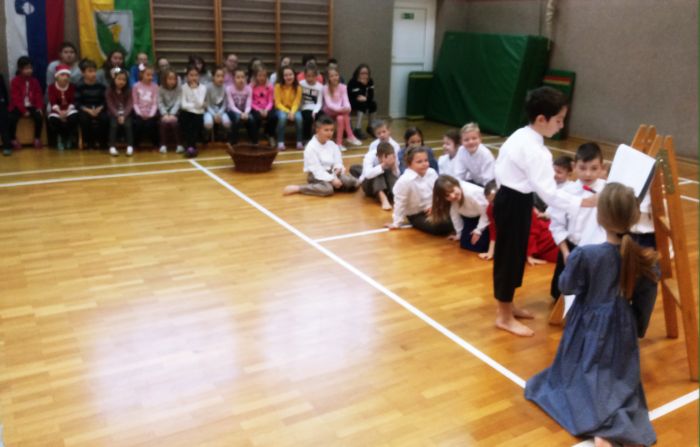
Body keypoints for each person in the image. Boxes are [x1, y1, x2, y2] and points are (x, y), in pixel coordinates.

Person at [525, 182, 658, 447]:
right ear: (633, 217)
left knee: (582, 371)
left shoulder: (586, 254)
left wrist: (572, 267)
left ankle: (601, 428)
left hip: (587, 321)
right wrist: (636, 327)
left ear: (600, 216)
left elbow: (566, 286)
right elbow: (647, 296)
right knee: (614, 375)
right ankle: (609, 426)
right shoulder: (643, 257)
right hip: (623, 322)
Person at [491, 86, 596, 336]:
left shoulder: (521, 135)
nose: (561, 126)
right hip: (513, 201)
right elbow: (549, 194)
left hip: (512, 199)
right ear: (541, 119)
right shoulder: (536, 151)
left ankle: (509, 306)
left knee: (515, 254)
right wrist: (582, 202)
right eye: (558, 120)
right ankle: (503, 316)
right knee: (508, 258)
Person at [549, 143, 607, 301]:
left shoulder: (607, 190)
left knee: (590, 296)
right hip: (571, 248)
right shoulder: (565, 192)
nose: (588, 174)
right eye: (582, 168)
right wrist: (565, 252)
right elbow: (557, 226)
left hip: (596, 251)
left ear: (602, 168)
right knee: (559, 294)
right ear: (574, 167)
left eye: (594, 168)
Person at [479, 180, 558, 265]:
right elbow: (494, 230)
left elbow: (532, 231)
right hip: (524, 244)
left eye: (494, 201)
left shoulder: (522, 206)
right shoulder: (491, 209)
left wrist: (529, 256)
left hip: (546, 240)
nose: (493, 205)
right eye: (490, 202)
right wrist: (490, 252)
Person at [282, 114, 359, 197]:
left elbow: (338, 162)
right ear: (317, 130)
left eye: (332, 130)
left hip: (332, 172)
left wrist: (337, 169)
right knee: (327, 189)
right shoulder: (310, 147)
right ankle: (299, 188)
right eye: (326, 130)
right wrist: (332, 179)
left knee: (352, 183)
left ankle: (333, 185)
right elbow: (317, 170)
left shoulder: (332, 144)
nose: (329, 133)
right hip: (316, 175)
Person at [387, 146, 453, 235]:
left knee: (458, 213)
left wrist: (435, 207)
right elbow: (400, 203)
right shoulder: (404, 181)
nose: (424, 164)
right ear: (409, 164)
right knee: (438, 226)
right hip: (417, 214)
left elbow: (438, 193)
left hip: (434, 207)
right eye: (419, 162)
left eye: (426, 160)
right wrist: (396, 223)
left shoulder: (431, 172)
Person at [431, 175, 490, 252]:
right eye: (447, 195)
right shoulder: (453, 200)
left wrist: (478, 230)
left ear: (457, 184)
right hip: (471, 217)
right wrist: (459, 233)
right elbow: (455, 216)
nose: (452, 196)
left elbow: (486, 213)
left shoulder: (471, 194)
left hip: (487, 216)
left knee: (481, 246)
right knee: (464, 243)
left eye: (452, 191)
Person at [8, 56, 44, 150]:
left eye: (30, 68)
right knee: (12, 118)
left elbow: (38, 95)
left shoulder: (34, 81)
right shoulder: (15, 81)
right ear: (20, 69)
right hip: (18, 106)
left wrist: (39, 107)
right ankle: (12, 139)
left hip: (31, 105)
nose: (29, 71)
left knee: (39, 117)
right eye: (26, 68)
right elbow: (16, 98)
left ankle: (37, 138)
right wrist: (23, 111)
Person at [323, 67, 362, 151]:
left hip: (340, 112)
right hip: (329, 111)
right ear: (328, 78)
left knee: (340, 118)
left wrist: (348, 108)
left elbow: (346, 100)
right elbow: (329, 104)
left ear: (339, 76)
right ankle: (350, 135)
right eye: (332, 76)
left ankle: (339, 143)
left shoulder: (343, 87)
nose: (334, 77)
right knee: (344, 114)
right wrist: (342, 109)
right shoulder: (326, 88)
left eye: (336, 75)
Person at [76, 59, 108, 150]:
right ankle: (89, 142)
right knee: (84, 119)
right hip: (85, 109)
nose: (93, 74)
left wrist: (100, 108)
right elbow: (77, 103)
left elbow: (105, 101)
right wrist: (88, 110)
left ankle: (103, 142)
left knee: (105, 118)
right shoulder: (79, 86)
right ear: (83, 73)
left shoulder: (101, 86)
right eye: (90, 71)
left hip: (99, 108)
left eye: (94, 71)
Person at [359, 141, 400, 210]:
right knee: (378, 173)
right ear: (380, 156)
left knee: (389, 172)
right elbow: (367, 174)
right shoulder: (370, 156)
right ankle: (383, 199)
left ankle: (397, 196)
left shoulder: (393, 156)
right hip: (368, 185)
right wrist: (383, 165)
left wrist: (393, 167)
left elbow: (397, 175)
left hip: (386, 187)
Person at [47, 65, 79, 150]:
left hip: (69, 109)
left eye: (67, 75)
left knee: (73, 118)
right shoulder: (51, 87)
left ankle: (69, 137)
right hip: (57, 109)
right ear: (57, 76)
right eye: (62, 75)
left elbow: (73, 101)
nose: (65, 77)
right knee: (54, 120)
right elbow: (53, 102)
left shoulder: (72, 87)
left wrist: (67, 111)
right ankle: (59, 138)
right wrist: (60, 112)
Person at [179, 65, 207, 158]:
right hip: (187, 112)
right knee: (185, 118)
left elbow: (200, 103)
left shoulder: (203, 88)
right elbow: (183, 105)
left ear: (199, 76)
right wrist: (194, 106)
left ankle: (191, 147)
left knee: (195, 122)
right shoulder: (183, 87)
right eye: (191, 75)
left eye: (196, 75)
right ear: (187, 76)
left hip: (199, 113)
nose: (193, 77)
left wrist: (194, 90)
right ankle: (191, 147)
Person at [106, 68, 134, 156]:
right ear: (114, 79)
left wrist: (124, 115)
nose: (121, 82)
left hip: (125, 114)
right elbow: (110, 105)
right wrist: (117, 115)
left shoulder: (129, 90)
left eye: (124, 80)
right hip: (113, 113)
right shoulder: (109, 90)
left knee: (128, 125)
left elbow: (130, 104)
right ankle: (112, 146)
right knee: (113, 125)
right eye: (119, 79)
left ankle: (130, 146)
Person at [131, 64, 160, 151]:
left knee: (151, 125)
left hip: (151, 112)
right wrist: (140, 113)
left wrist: (150, 114)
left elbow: (155, 103)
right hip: (139, 112)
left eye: (152, 75)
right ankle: (135, 144)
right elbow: (135, 102)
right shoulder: (136, 86)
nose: (150, 77)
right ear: (141, 75)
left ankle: (156, 144)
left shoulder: (155, 86)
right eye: (148, 75)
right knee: (138, 124)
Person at [274, 66, 302, 150]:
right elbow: (277, 103)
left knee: (299, 119)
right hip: (281, 109)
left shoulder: (298, 87)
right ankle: (280, 142)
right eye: (286, 75)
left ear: (294, 75)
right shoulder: (278, 86)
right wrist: (288, 112)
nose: (288, 77)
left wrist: (292, 112)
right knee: (282, 118)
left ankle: (299, 141)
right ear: (282, 77)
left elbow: (296, 102)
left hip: (294, 109)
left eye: (290, 74)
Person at [225, 67, 254, 145]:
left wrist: (246, 113)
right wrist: (241, 113)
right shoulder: (229, 89)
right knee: (237, 118)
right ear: (234, 78)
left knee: (251, 118)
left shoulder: (249, 88)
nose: (241, 79)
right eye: (238, 77)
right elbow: (231, 105)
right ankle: (233, 141)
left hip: (244, 111)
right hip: (232, 110)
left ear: (245, 78)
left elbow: (249, 104)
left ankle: (254, 141)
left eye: (242, 77)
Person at [157, 69, 183, 154]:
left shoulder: (179, 88)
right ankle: (163, 145)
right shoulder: (160, 89)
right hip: (164, 111)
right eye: (170, 79)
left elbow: (178, 101)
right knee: (163, 123)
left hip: (175, 111)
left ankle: (179, 144)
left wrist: (172, 114)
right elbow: (160, 102)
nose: (172, 81)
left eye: (174, 79)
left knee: (175, 123)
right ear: (165, 79)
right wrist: (164, 114)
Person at [347, 63, 376, 139]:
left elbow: (371, 95)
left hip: (365, 100)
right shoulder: (353, 81)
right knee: (362, 104)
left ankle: (370, 126)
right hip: (351, 102)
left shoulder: (370, 81)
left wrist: (366, 98)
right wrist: (362, 85)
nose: (364, 75)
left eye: (366, 73)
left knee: (373, 104)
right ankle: (357, 128)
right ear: (358, 73)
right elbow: (356, 96)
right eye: (362, 73)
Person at [249, 66, 276, 146]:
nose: (262, 78)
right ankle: (255, 138)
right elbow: (250, 101)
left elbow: (270, 101)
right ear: (256, 76)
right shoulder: (251, 86)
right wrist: (259, 110)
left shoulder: (270, 86)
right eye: (260, 75)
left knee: (273, 117)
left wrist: (266, 110)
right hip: (255, 107)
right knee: (256, 118)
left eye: (264, 75)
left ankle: (270, 135)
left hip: (267, 107)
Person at [205, 66, 232, 142]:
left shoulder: (225, 87)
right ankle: (206, 136)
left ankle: (224, 136)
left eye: (222, 76)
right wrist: (214, 115)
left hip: (221, 111)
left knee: (227, 123)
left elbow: (225, 104)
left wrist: (219, 113)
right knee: (208, 124)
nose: (220, 78)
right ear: (213, 77)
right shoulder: (208, 87)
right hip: (209, 111)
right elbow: (207, 104)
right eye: (218, 76)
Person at [299, 63, 324, 143]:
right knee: (307, 118)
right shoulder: (301, 84)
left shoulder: (320, 87)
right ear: (305, 75)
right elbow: (299, 99)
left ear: (316, 76)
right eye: (308, 76)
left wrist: (315, 111)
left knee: (322, 118)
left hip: (316, 108)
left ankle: (320, 138)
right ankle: (306, 138)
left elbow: (319, 102)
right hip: (305, 107)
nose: (310, 78)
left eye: (313, 76)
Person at [0, 73, 11, 155]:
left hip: (1, 104)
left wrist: (6, 103)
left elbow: (4, 90)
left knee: (4, 125)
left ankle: (7, 146)